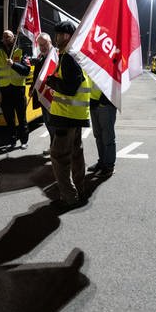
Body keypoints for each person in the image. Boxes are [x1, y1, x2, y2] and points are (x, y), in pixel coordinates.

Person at [45, 21, 91, 208]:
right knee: (75, 154)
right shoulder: (73, 55)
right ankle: (79, 190)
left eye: (57, 35)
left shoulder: (69, 58)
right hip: (74, 115)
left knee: (59, 157)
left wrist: (51, 82)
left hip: (66, 116)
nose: (56, 38)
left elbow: (71, 88)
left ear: (66, 36)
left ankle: (70, 197)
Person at [0, 30, 31, 149]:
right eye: (4, 37)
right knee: (9, 119)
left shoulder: (21, 52)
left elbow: (26, 70)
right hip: (5, 91)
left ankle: (24, 141)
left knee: (22, 118)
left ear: (14, 38)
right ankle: (12, 141)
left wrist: (14, 65)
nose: (6, 39)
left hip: (18, 90)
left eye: (8, 37)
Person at [30, 32, 55, 154]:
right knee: (48, 124)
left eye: (44, 44)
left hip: (53, 97)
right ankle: (53, 146)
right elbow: (37, 76)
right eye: (40, 45)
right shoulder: (41, 57)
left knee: (55, 125)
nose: (43, 47)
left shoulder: (56, 56)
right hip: (43, 96)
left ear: (50, 42)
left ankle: (57, 149)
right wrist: (32, 89)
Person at [88, 84, 117, 177]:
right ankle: (102, 162)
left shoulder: (112, 68)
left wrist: (103, 101)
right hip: (93, 104)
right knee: (98, 136)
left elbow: (115, 84)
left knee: (108, 137)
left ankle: (109, 167)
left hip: (106, 105)